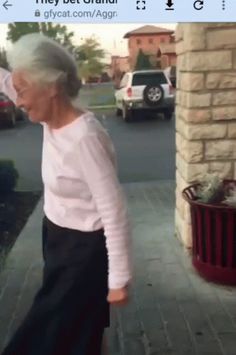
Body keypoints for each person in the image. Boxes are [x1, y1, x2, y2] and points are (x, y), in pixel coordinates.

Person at [2, 33, 132, 355]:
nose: (17, 100)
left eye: (23, 92)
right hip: (57, 239)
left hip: (82, 253)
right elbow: (7, 81)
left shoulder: (83, 138)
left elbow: (113, 211)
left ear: (52, 87)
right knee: (78, 330)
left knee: (46, 333)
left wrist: (119, 278)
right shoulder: (49, 119)